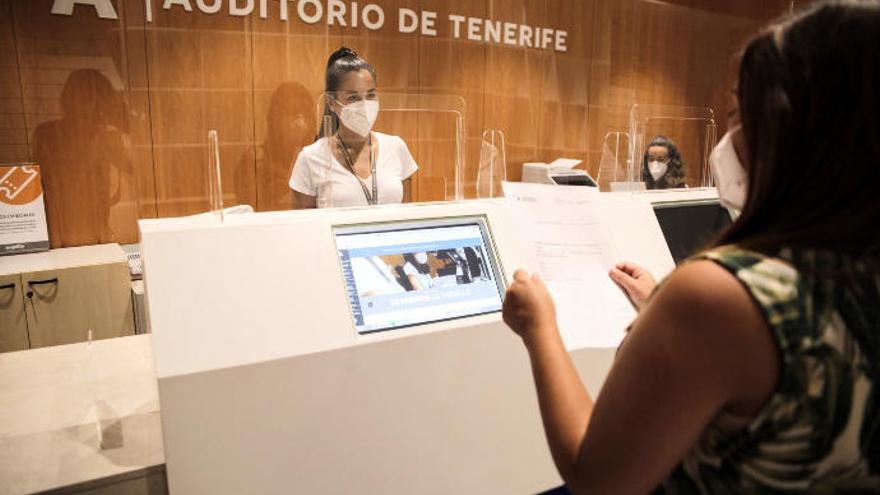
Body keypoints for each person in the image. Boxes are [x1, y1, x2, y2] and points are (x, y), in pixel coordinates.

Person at [502, 2, 880, 493]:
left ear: (787, 132)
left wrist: (539, 328)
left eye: (736, 112)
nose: (729, 136)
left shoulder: (715, 297)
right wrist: (665, 308)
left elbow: (597, 478)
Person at [289, 47, 418, 208]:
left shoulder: (396, 147)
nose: (364, 105)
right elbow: (304, 227)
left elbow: (408, 218)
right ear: (331, 102)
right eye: (353, 97)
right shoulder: (311, 158)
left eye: (370, 95)